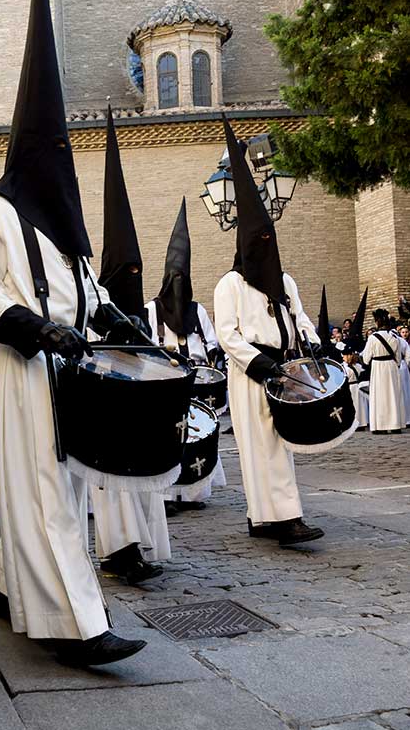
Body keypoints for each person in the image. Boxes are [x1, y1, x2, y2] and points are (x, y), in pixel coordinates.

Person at [0, 0, 146, 666]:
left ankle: (9, 585)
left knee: (58, 486)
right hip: (27, 365)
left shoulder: (64, 229)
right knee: (44, 488)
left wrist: (115, 318)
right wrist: (36, 329)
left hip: (71, 370)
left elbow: (85, 289)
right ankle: (74, 625)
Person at [213, 116, 324, 547]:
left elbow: (300, 317)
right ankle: (275, 517)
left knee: (279, 443)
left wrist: (314, 346)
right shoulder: (230, 284)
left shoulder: (285, 281)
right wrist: (261, 365)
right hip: (252, 372)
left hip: (286, 369)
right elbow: (228, 335)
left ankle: (273, 516)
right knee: (259, 445)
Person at [91, 105, 166, 584]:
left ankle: (145, 543)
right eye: (127, 273)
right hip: (107, 403)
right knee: (114, 481)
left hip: (141, 403)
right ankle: (120, 548)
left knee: (142, 476)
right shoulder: (97, 305)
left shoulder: (144, 314)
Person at [145, 197, 226, 512]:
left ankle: (194, 492)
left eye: (184, 281)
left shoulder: (197, 310)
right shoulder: (152, 310)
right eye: (174, 280)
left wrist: (211, 359)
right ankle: (166, 496)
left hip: (196, 384)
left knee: (199, 435)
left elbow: (212, 342)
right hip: (165, 383)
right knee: (167, 438)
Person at [362, 309, 406, 434]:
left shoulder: (372, 338)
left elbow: (366, 358)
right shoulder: (394, 337)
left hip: (378, 367)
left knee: (380, 396)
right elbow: (398, 358)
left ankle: (380, 426)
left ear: (377, 322)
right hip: (391, 367)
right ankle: (395, 425)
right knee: (393, 395)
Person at [342, 344, 369, 429]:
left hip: (351, 387)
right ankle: (362, 422)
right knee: (360, 405)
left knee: (355, 405)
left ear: (348, 356)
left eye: (344, 355)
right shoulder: (358, 366)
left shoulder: (344, 368)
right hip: (357, 387)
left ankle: (356, 423)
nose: (343, 357)